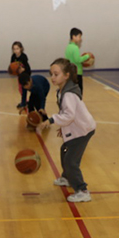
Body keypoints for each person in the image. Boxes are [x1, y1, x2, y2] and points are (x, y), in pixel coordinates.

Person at [36, 58, 96, 203]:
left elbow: (68, 116)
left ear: (67, 75)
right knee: (64, 150)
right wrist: (63, 128)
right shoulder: (62, 91)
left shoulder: (69, 94)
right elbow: (66, 113)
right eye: (51, 74)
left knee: (70, 161)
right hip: (76, 128)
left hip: (83, 130)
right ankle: (67, 178)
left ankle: (82, 190)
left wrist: (50, 121)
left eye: (56, 74)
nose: (53, 77)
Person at [64, 28, 90, 94]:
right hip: (77, 72)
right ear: (73, 36)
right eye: (79, 36)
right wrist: (87, 56)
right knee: (78, 92)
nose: (80, 39)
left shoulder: (68, 47)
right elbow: (78, 60)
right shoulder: (75, 48)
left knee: (71, 91)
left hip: (70, 72)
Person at [10, 41, 31, 109]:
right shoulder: (13, 56)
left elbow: (26, 66)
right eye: (14, 49)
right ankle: (25, 101)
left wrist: (23, 69)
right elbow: (12, 65)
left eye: (17, 48)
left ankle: (24, 102)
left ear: (21, 49)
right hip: (19, 74)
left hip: (26, 73)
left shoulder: (23, 56)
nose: (16, 50)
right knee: (20, 89)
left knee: (24, 88)